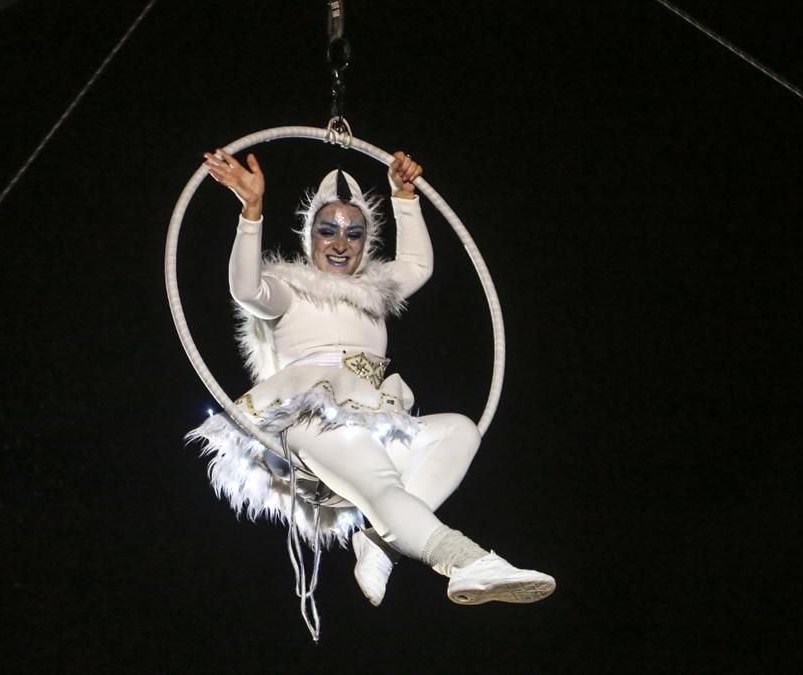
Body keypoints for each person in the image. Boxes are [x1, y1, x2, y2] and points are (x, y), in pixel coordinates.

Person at [187, 147, 555, 608]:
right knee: (381, 483)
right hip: (311, 417)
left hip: (372, 414)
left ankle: (380, 544)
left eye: (354, 233)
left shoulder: (374, 294)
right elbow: (246, 289)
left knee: (458, 431)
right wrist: (252, 211)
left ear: (365, 243)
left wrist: (405, 196)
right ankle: (466, 561)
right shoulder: (290, 291)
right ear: (310, 238)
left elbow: (418, 266)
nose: (340, 243)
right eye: (328, 230)